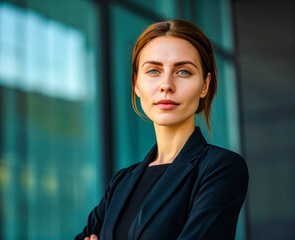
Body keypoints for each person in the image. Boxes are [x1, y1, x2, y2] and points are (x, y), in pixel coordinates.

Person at [75, 19, 248, 240]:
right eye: (154, 70)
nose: (166, 84)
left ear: (204, 85)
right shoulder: (121, 181)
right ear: (136, 83)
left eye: (183, 71)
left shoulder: (221, 169)